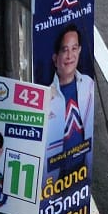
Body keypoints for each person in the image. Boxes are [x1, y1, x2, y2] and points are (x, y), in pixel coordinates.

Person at [44, 24, 95, 152]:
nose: (70, 55)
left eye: (74, 48)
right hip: (56, 170)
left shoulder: (88, 84)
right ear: (55, 59)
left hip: (83, 169)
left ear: (79, 51)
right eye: (65, 50)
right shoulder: (45, 97)